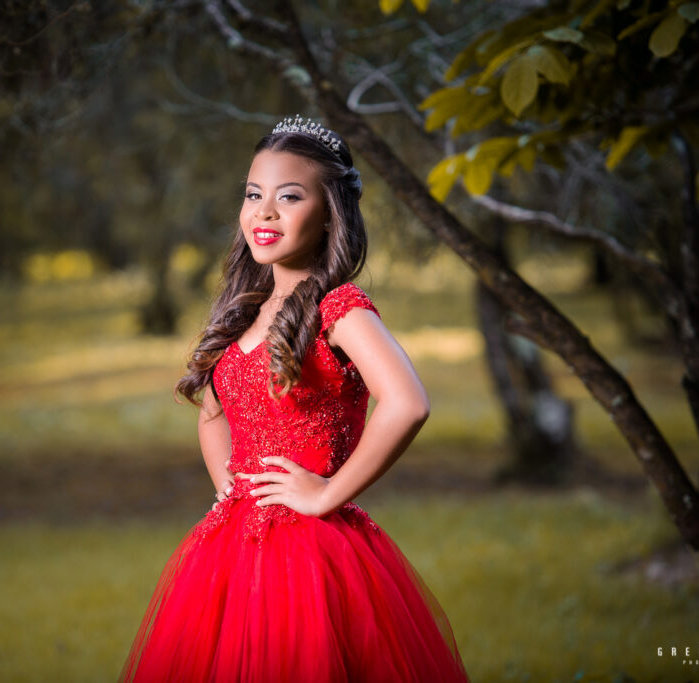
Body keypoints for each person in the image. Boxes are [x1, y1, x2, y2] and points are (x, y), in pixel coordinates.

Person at [119, 115, 468, 682]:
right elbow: (214, 411)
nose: (265, 211)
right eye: (254, 194)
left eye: (289, 196)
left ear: (330, 211)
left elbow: (407, 402)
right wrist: (228, 484)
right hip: (231, 549)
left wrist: (328, 491)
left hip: (312, 552)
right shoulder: (247, 308)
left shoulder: (339, 308)